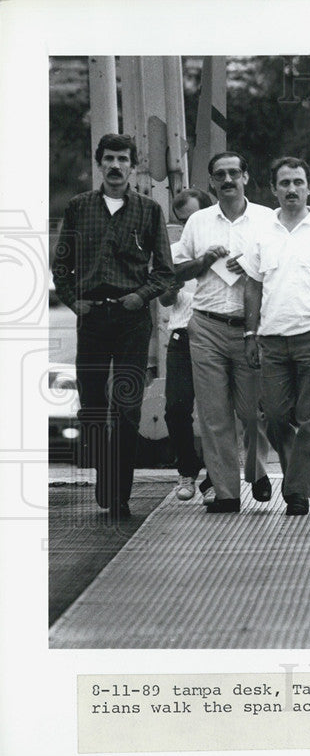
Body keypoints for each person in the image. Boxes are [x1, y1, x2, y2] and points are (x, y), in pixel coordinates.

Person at [52, 133, 175, 518]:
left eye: (123, 159)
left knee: (127, 406)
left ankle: (119, 493)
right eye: (109, 159)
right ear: (99, 163)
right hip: (92, 318)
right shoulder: (78, 208)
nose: (116, 165)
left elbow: (165, 272)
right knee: (90, 405)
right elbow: (61, 267)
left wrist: (141, 296)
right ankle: (105, 471)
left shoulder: (149, 211)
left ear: (134, 165)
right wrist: (75, 302)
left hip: (131, 318)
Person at [243, 157, 310, 516]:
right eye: (285, 183)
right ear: (273, 189)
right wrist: (250, 333)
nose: (292, 189)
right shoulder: (261, 231)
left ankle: (298, 492)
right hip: (272, 339)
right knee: (274, 415)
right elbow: (253, 286)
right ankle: (296, 475)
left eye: (298, 182)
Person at [172, 152, 279, 514]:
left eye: (235, 172)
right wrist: (203, 262)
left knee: (252, 412)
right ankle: (226, 493)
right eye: (221, 174)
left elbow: (282, 268)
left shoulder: (268, 219)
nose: (228, 179)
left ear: (246, 177)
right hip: (206, 325)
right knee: (214, 415)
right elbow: (177, 272)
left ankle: (257, 471)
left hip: (251, 328)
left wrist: (251, 264)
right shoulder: (198, 222)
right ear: (212, 182)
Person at [159, 188, 215, 502]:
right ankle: (187, 470)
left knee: (214, 410)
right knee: (176, 407)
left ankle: (214, 478)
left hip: (215, 332)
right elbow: (167, 300)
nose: (187, 225)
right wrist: (173, 284)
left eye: (193, 217)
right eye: (182, 220)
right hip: (182, 333)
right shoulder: (175, 250)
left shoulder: (225, 246)